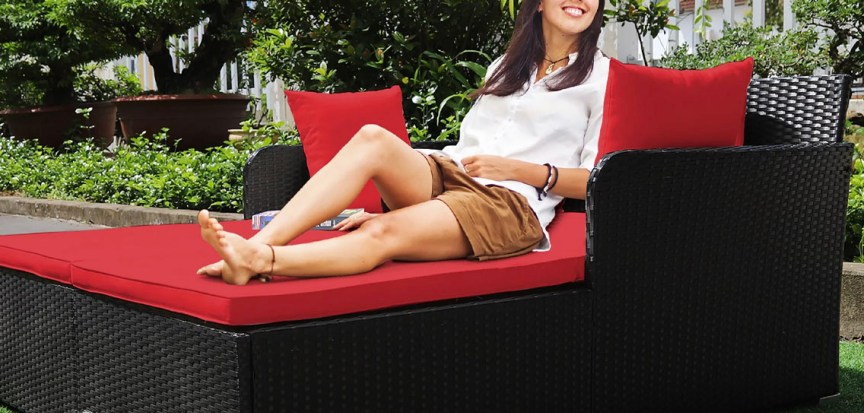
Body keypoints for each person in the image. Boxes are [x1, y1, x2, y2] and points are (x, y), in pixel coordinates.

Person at [198, 0, 609, 285]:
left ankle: (259, 260)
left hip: (508, 204)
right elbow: (467, 146)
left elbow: (597, 180)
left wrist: (517, 170)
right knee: (373, 138)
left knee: (385, 231)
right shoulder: (506, 66)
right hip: (451, 173)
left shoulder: (603, 79)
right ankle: (253, 244)